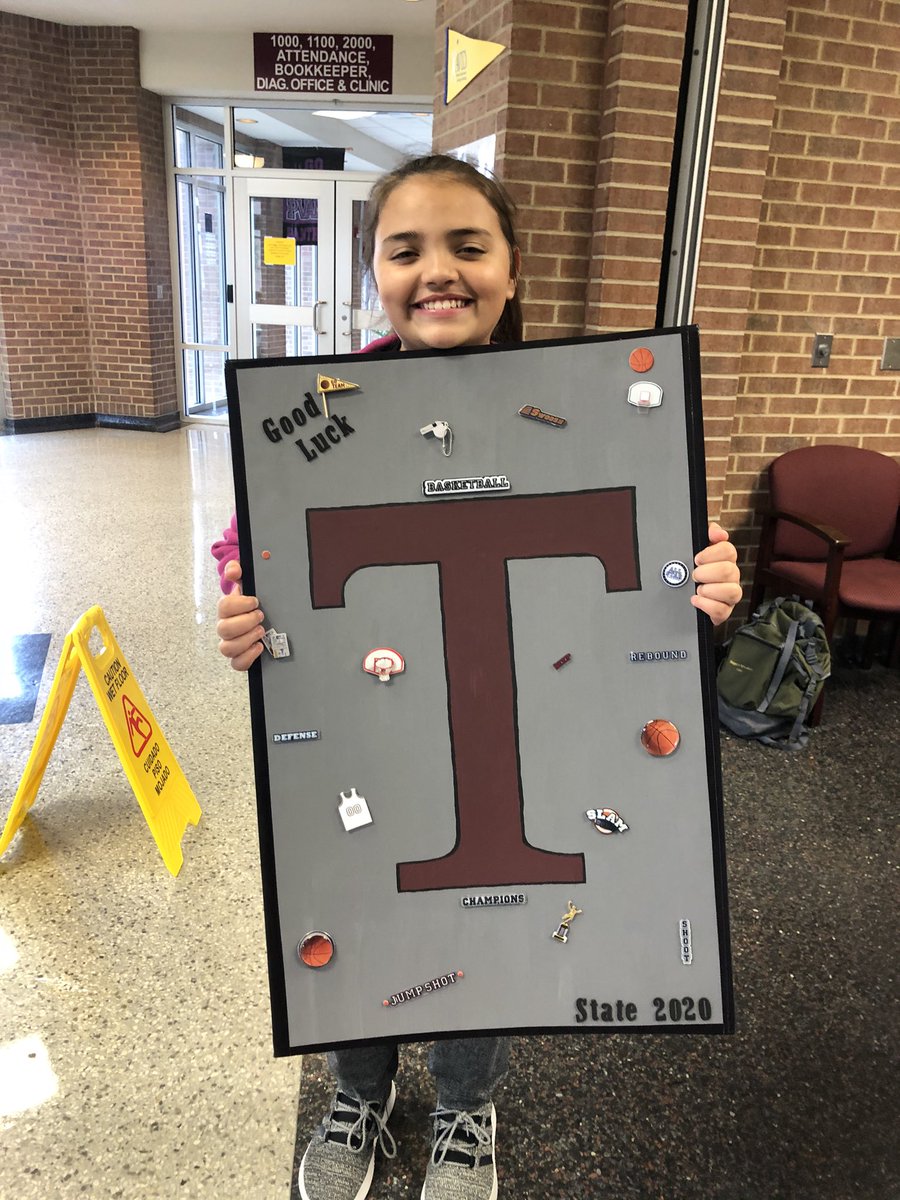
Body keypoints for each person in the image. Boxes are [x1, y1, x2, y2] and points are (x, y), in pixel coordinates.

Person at [212, 154, 743, 1200]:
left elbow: (665, 545)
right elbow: (248, 542)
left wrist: (709, 583)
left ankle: (465, 1105)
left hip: (511, 717)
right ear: (373, 273)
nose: (437, 271)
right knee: (363, 895)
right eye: (405, 250)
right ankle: (355, 1088)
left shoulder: (587, 409)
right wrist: (238, 603)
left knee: (490, 904)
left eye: (468, 245)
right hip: (370, 722)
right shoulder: (316, 420)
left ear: (510, 268)